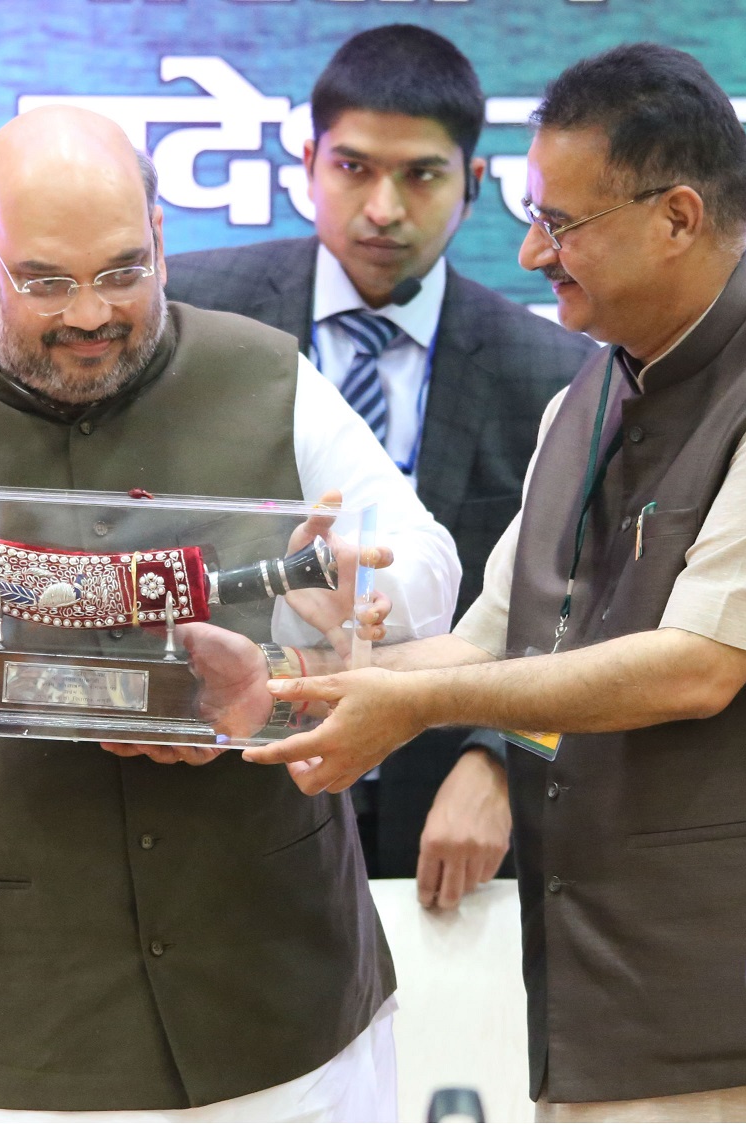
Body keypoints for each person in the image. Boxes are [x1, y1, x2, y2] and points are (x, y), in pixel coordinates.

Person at [248, 43, 746, 1122]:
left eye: (564, 222)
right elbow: (494, 636)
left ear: (679, 216)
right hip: (615, 997)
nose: (534, 249)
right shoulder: (582, 402)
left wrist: (411, 702)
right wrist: (294, 680)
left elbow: (695, 668)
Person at [0, 105, 460, 1122]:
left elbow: (423, 562)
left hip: (281, 998)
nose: (93, 313)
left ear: (160, 237)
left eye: (123, 270)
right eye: (47, 281)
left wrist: (340, 604)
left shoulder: (268, 375)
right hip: (7, 1026)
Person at [165, 24, 595, 908]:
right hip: (214, 793)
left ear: (475, 185)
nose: (383, 209)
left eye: (421, 175)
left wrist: (498, 762)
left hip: (441, 818)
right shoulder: (191, 322)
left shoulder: (552, 372)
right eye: (353, 168)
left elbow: (586, 605)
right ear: (307, 162)